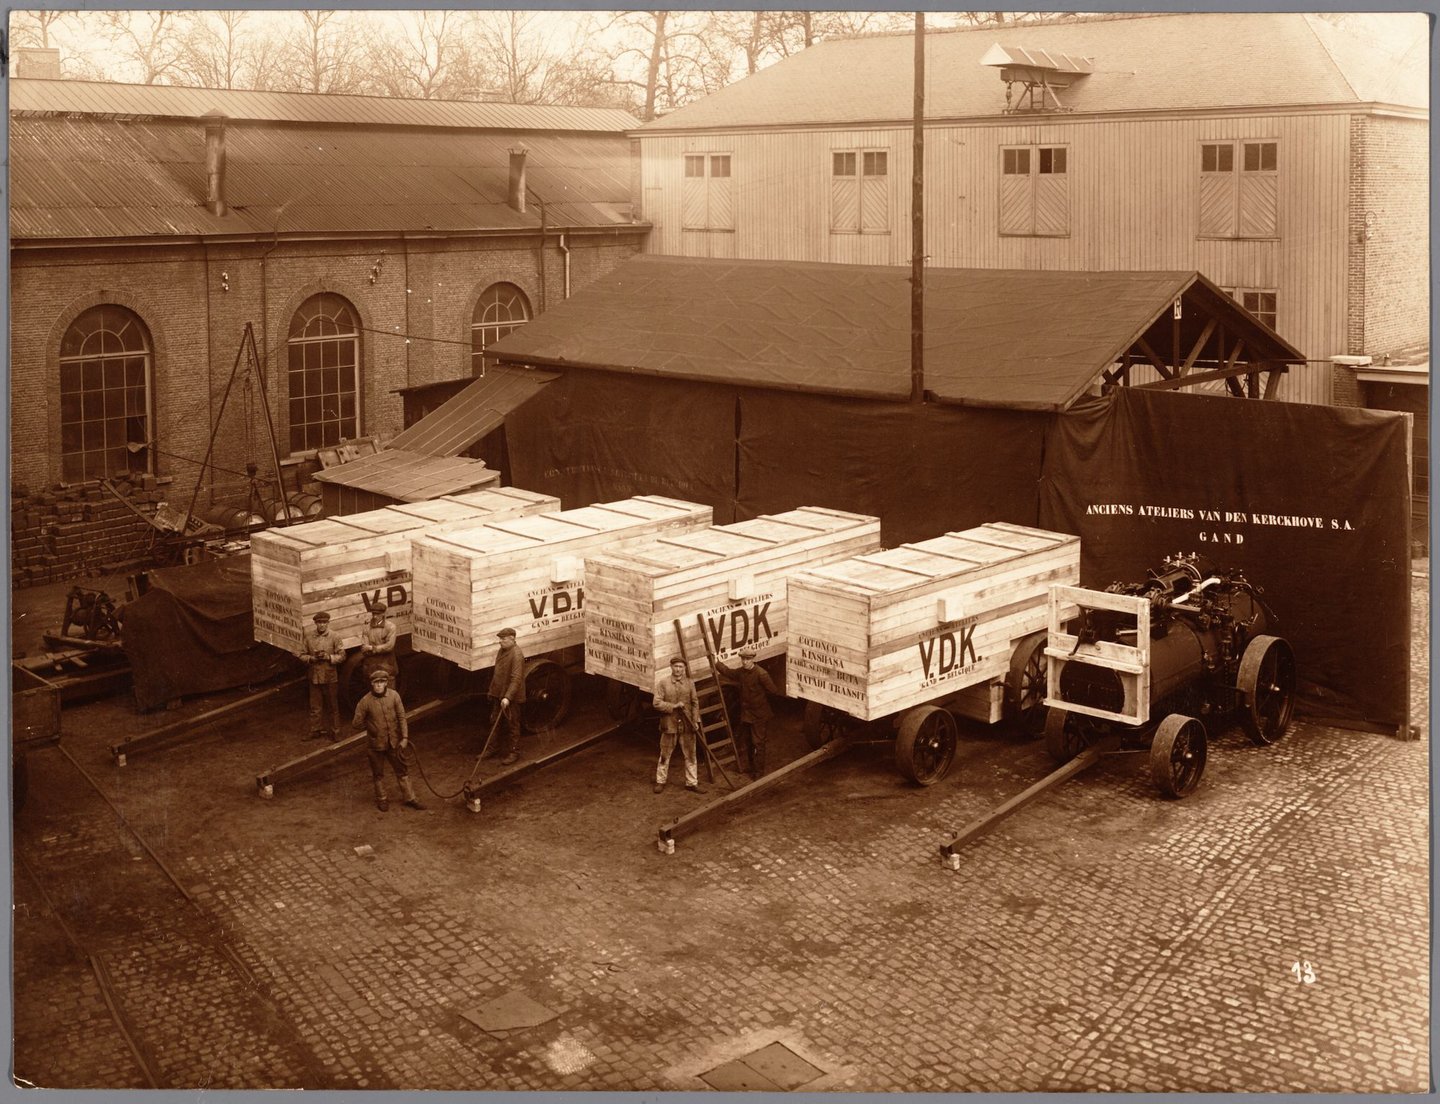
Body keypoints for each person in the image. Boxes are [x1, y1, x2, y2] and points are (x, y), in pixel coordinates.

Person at [351, 669, 423, 812]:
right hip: (375, 745)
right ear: (372, 684)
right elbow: (356, 723)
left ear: (386, 683)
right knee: (378, 773)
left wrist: (405, 738)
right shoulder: (365, 701)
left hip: (394, 742)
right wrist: (370, 726)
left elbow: (402, 717)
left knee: (402, 770)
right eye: (376, 682)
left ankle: (410, 798)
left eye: (382, 682)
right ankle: (382, 799)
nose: (379, 685)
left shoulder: (394, 696)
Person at [715, 647, 783, 778]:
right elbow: (728, 672)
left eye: (747, 659)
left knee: (758, 743)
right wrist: (716, 663)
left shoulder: (761, 674)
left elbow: (773, 691)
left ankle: (759, 773)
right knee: (748, 742)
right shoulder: (741, 672)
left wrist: (759, 700)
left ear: (752, 660)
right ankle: (751, 767)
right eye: (743, 659)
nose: (744, 662)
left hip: (759, 715)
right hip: (746, 715)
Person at [652, 656, 703, 794]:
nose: (678, 669)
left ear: (684, 668)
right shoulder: (663, 683)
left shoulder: (690, 683)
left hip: (687, 724)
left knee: (691, 754)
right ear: (671, 667)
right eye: (676, 666)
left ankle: (691, 783)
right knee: (665, 754)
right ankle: (660, 781)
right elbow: (656, 703)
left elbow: (695, 703)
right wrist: (673, 706)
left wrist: (695, 720)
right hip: (669, 724)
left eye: (681, 667)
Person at [298, 610, 346, 740]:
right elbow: (301, 654)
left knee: (332, 706)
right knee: (315, 706)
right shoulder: (309, 637)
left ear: (328, 623)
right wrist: (311, 659)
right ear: (315, 623)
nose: (322, 625)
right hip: (314, 677)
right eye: (319, 622)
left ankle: (336, 731)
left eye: (324, 622)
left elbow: (342, 656)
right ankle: (315, 730)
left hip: (330, 676)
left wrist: (328, 657)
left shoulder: (335, 636)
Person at [488, 627, 526, 766]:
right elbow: (497, 673)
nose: (500, 641)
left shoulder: (516, 654)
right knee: (494, 721)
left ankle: (514, 752)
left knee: (513, 724)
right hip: (499, 694)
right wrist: (492, 691)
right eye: (500, 639)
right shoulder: (502, 650)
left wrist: (507, 697)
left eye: (503, 639)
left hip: (511, 697)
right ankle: (492, 748)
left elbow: (516, 679)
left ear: (512, 639)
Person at [359, 600, 399, 692]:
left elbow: (389, 646)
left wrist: (372, 648)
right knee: (373, 694)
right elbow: (364, 648)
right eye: (373, 614)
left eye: (377, 614)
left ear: (383, 614)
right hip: (371, 667)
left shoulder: (391, 627)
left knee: (389, 693)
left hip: (387, 666)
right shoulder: (367, 628)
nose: (374, 616)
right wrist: (379, 648)